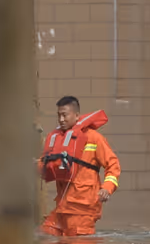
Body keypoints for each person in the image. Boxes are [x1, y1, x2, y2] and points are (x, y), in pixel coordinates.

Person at [38, 96, 121, 236]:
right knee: (44, 235)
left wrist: (107, 188)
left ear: (77, 116)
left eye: (65, 115)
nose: (61, 120)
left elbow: (113, 164)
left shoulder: (94, 138)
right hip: (62, 208)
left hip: (82, 210)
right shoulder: (58, 138)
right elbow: (45, 164)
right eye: (59, 115)